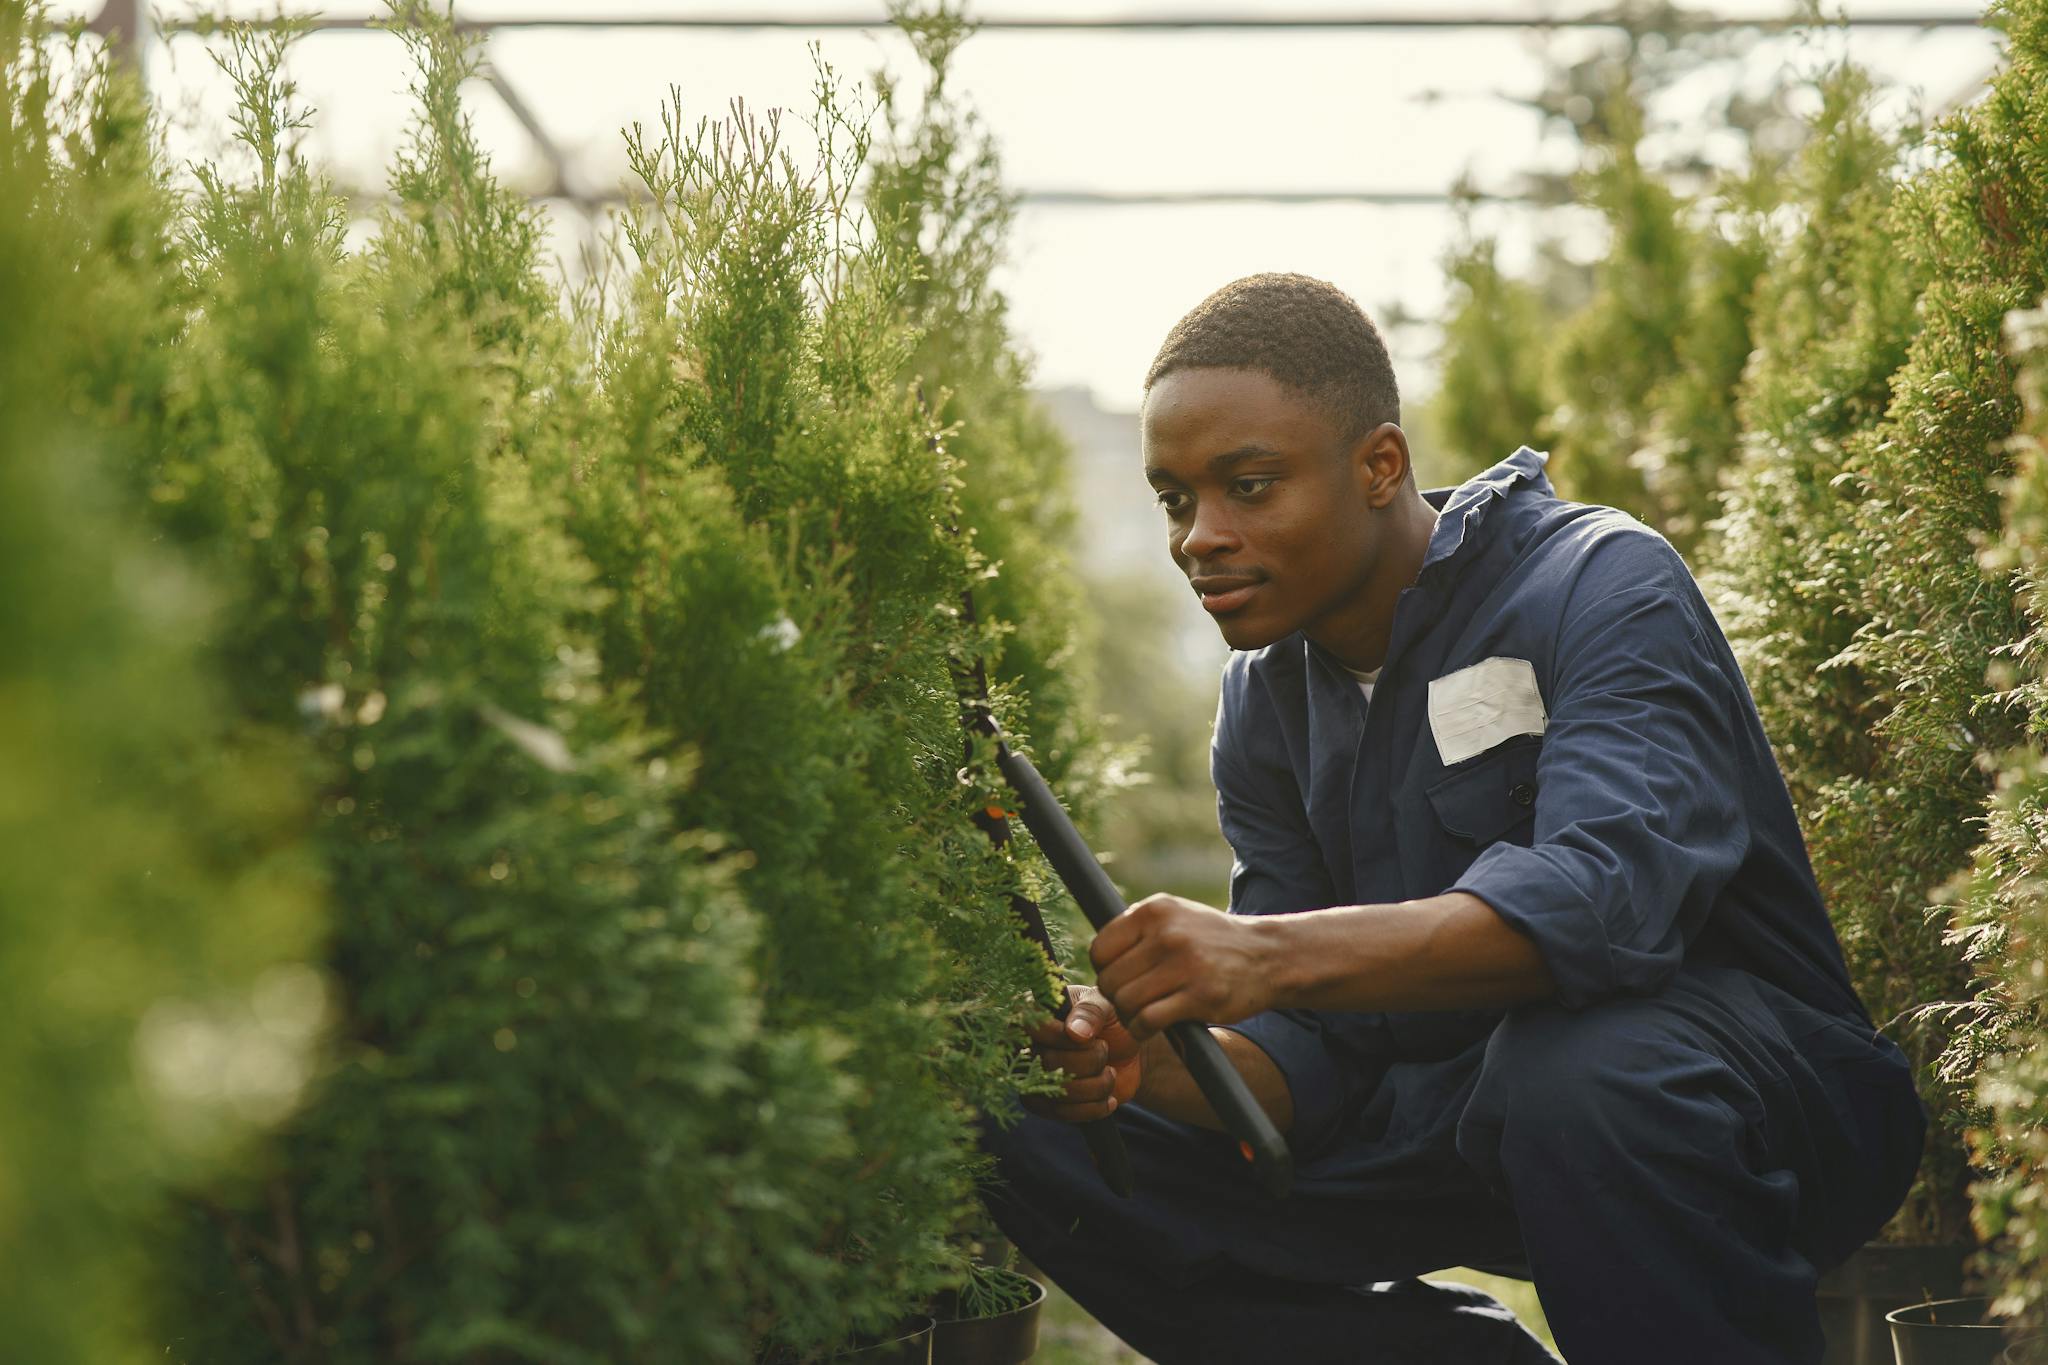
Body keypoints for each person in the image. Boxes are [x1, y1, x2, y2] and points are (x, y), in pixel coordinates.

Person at [975, 273, 1927, 1365]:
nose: (1200, 536)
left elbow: (1598, 904)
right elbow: (1303, 1060)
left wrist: (1263, 956)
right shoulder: (1263, 705)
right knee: (1029, 1118)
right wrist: (1152, 1062)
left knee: (1578, 1065)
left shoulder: (1598, 582)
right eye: (1175, 500)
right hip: (1447, 1120)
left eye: (1247, 485)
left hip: (1742, 1109)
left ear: (1379, 466)